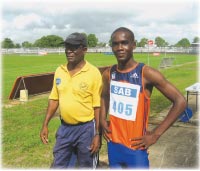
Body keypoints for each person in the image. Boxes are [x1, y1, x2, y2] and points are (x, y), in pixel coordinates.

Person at [100, 27, 187, 168]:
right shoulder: (108, 73)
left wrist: (155, 135)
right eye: (115, 44)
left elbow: (180, 102)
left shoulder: (146, 73)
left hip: (135, 148)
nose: (120, 48)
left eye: (124, 43)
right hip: (113, 145)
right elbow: (104, 95)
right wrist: (102, 119)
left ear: (133, 45)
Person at [40, 32, 102, 168]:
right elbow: (54, 99)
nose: (69, 51)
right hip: (65, 128)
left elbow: (97, 106)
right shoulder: (60, 70)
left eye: (74, 47)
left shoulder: (93, 73)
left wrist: (97, 134)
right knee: (58, 165)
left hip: (86, 129)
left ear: (84, 50)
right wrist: (45, 124)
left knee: (86, 166)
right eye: (67, 47)